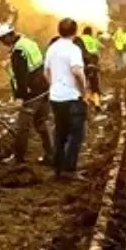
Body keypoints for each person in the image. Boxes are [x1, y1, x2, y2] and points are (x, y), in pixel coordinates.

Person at [0, 25, 52, 164]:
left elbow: (21, 76)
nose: (3, 43)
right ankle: (51, 154)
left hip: (32, 93)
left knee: (22, 126)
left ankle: (18, 158)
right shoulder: (29, 43)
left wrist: (21, 97)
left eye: (3, 40)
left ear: (9, 36)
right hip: (43, 89)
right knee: (41, 123)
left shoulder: (18, 51)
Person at [44, 18, 89, 179]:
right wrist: (83, 91)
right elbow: (77, 71)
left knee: (60, 132)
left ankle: (57, 167)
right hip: (72, 97)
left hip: (56, 97)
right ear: (75, 32)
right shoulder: (73, 49)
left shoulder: (52, 48)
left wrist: (54, 85)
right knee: (76, 134)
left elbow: (46, 72)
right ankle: (69, 170)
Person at [79, 26, 103, 109]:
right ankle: (97, 103)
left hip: (84, 62)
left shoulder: (80, 39)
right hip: (94, 61)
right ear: (90, 33)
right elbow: (99, 49)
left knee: (83, 82)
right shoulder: (93, 39)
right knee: (94, 84)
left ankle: (85, 102)